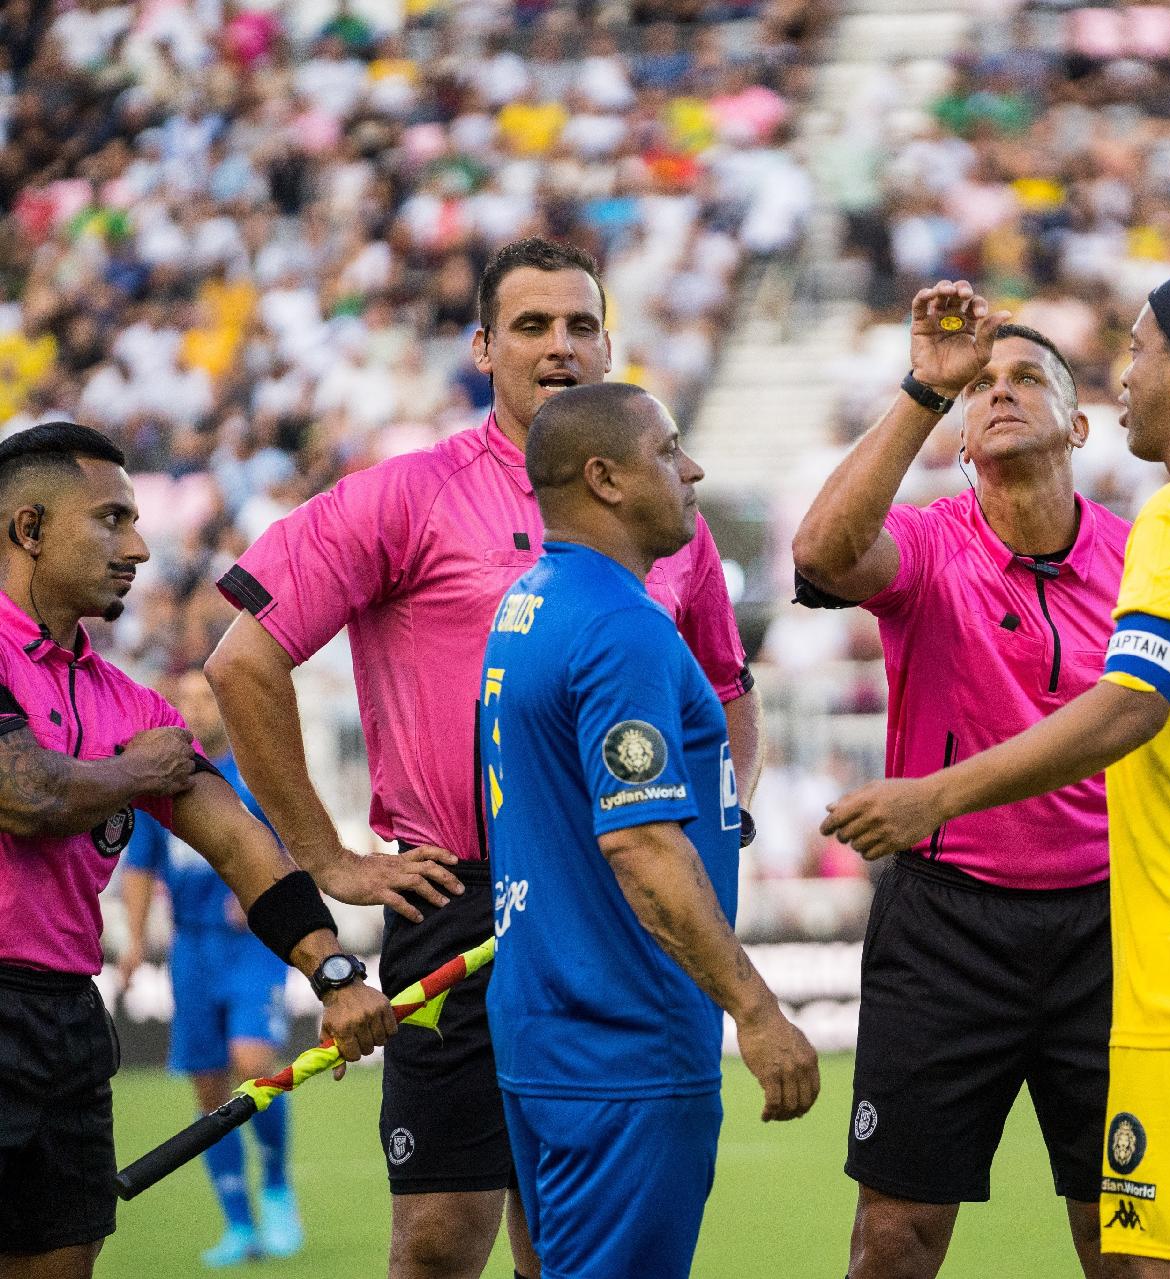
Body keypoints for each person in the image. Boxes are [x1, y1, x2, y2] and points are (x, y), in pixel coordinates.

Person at [205, 237, 761, 1279]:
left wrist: (720, 830)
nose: (561, 346)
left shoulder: (665, 514)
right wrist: (327, 857)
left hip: (615, 898)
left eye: (582, 323)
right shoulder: (402, 495)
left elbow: (729, 691)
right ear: (481, 346)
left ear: (610, 342)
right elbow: (243, 662)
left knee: (568, 1236)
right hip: (457, 894)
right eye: (532, 325)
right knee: (438, 1236)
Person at [825, 269, 1170, 1279]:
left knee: (1157, 1259)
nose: (1128, 373)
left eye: (1136, 349)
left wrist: (932, 796)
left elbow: (1131, 703)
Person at [789, 281, 1130, 1279]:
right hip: (945, 925)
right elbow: (820, 552)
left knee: (1121, 1239)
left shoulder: (1146, 558)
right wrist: (922, 391)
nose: (1000, 392)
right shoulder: (935, 541)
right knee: (894, 1242)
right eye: (983, 385)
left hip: (1109, 922)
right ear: (964, 433)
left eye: (1028, 378)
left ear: (1078, 421)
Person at [0, 423, 391, 1279]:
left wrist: (332, 972)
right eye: (111, 520)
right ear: (29, 529)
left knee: (60, 1264)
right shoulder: (131, 733)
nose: (137, 547)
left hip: (65, 1016)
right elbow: (24, 794)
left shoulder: (130, 703)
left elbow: (244, 846)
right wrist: (132, 769)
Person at [480, 383, 819, 1279]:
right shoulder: (622, 628)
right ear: (606, 480)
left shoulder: (526, 604)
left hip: (544, 1022)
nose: (692, 467)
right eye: (669, 450)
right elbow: (640, 843)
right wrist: (755, 1007)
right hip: (623, 1040)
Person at [118, 670, 303, 1267]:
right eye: (186, 702)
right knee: (208, 1088)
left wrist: (260, 888)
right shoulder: (162, 781)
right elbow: (141, 868)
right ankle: (238, 1225)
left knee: (253, 1062)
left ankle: (276, 1187)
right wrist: (133, 947)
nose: (196, 710)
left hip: (250, 946)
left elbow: (294, 843)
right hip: (192, 950)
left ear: (224, 705)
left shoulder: (250, 778)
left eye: (205, 697)